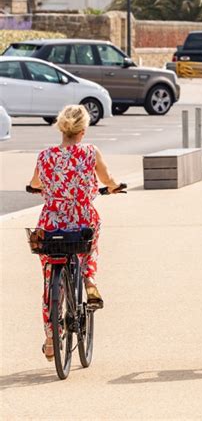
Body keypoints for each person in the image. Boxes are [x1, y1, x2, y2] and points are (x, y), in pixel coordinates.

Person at [29, 104, 122, 362]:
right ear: (82, 131)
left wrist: (38, 187)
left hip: (51, 224)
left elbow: (35, 183)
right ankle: (89, 279)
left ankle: (50, 341)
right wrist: (114, 187)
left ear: (61, 129)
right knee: (92, 238)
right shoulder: (90, 152)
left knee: (49, 280)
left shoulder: (45, 156)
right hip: (81, 221)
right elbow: (108, 179)